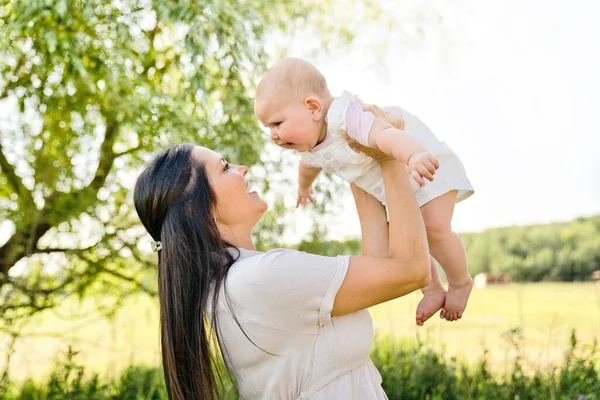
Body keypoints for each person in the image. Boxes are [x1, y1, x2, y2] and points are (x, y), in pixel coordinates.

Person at [133, 108, 431, 399]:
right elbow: (410, 270)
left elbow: (381, 269)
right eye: (224, 167)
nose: (242, 169)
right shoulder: (261, 278)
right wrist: (389, 155)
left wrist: (353, 158)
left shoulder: (233, 285)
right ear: (195, 209)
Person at [254, 57, 475, 324]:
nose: (273, 136)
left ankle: (461, 282)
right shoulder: (310, 147)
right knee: (407, 238)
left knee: (434, 229)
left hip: (419, 166)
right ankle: (432, 289)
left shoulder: (345, 117)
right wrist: (303, 188)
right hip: (391, 188)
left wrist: (414, 155)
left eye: (277, 124)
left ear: (313, 108)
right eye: (268, 128)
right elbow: (307, 166)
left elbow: (386, 134)